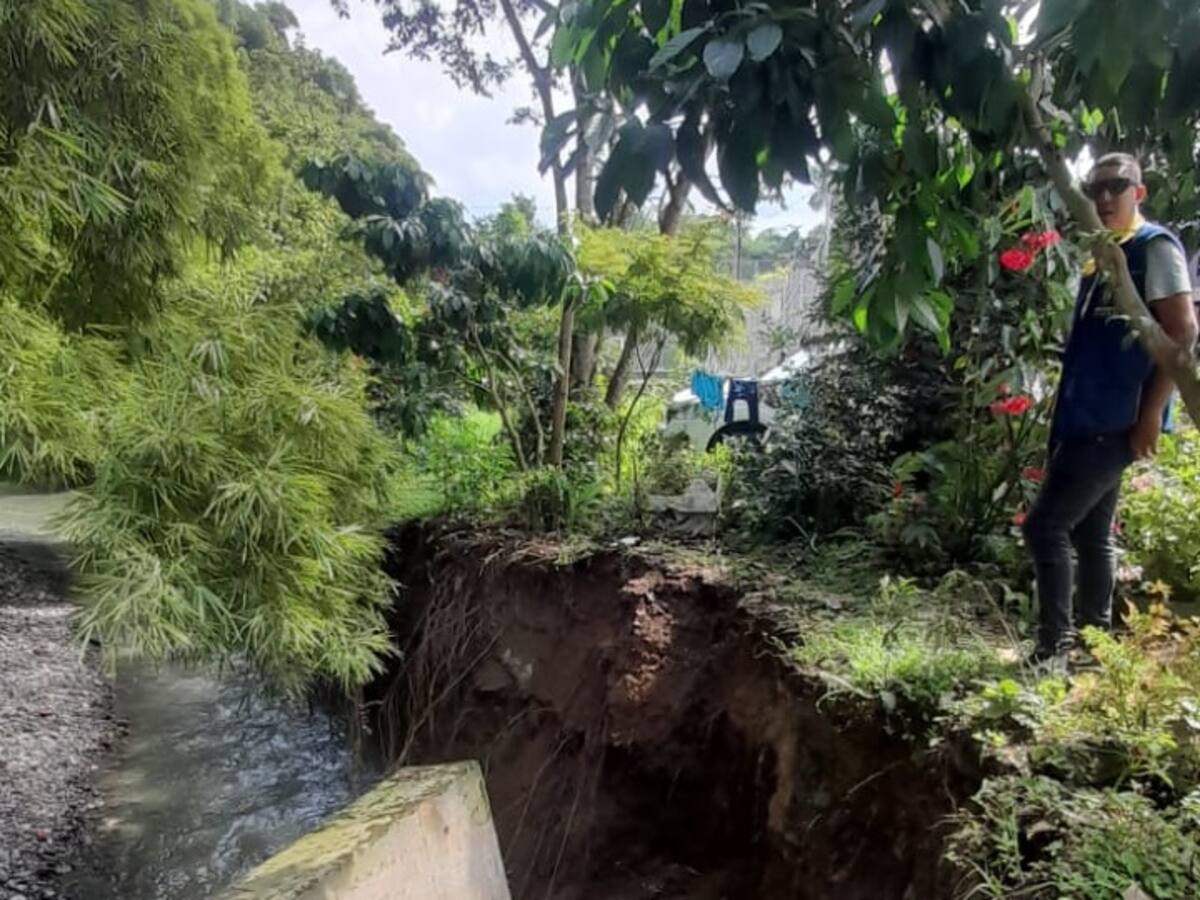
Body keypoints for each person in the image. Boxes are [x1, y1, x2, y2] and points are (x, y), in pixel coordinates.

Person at [1023, 152, 1199, 665]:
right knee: (1090, 531)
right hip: (1088, 414)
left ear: (1137, 193)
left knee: (1044, 527)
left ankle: (1053, 651)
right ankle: (1094, 645)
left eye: (1116, 187)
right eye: (1094, 188)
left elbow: (1182, 335)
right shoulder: (1104, 251)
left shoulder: (1153, 248)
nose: (1103, 198)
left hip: (1116, 418)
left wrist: (1151, 415)